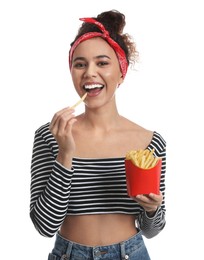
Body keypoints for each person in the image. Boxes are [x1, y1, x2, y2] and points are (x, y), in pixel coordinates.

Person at [30, 9, 166, 260]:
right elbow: (44, 226)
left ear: (121, 73)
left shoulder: (150, 143)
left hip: (131, 254)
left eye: (102, 63)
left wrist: (151, 210)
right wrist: (65, 154)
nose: (89, 72)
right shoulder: (50, 136)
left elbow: (153, 230)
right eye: (79, 64)